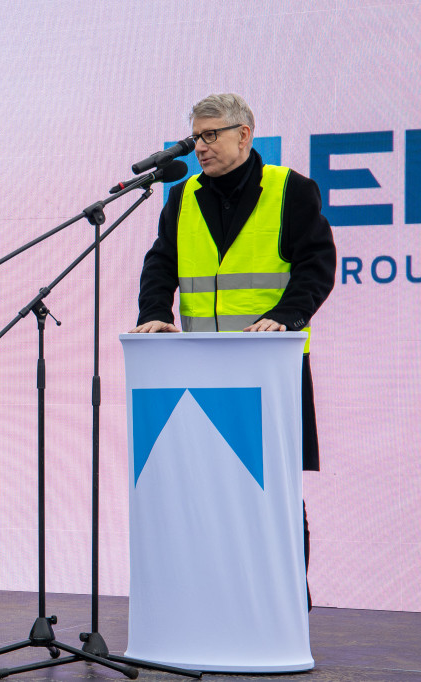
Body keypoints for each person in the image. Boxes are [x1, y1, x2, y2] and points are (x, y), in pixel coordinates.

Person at [130, 93, 335, 610]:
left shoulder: (290, 190)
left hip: (271, 370)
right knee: (206, 491)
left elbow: (316, 266)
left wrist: (287, 317)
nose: (200, 146)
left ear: (245, 134)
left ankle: (286, 602)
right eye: (196, 137)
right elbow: (161, 264)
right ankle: (218, 603)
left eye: (211, 135)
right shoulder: (184, 196)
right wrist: (155, 312)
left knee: (275, 493)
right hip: (197, 372)